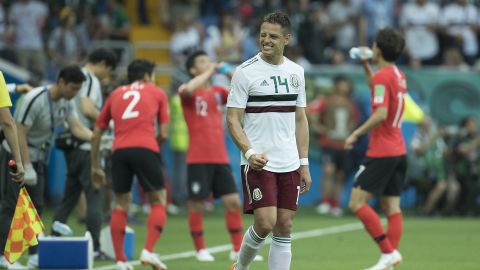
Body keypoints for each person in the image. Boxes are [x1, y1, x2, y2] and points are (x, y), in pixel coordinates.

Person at [226, 11, 312, 270]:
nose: (266, 40)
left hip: (289, 162)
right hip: (258, 162)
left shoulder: (297, 72)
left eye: (273, 36)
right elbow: (232, 120)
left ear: (287, 39)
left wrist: (304, 163)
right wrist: (249, 152)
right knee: (265, 223)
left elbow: (300, 119)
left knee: (284, 225)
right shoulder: (245, 72)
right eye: (263, 35)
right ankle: (240, 267)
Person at [0, 65, 91, 268]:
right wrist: (26, 165)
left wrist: (96, 138)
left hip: (38, 156)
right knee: (12, 206)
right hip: (16, 155)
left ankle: (34, 253)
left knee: (36, 206)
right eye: (73, 88)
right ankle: (5, 256)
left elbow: (76, 127)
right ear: (61, 82)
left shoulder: (67, 103)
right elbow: (19, 132)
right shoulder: (36, 99)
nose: (74, 93)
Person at [91, 59, 169, 270]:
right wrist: (151, 145)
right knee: (159, 199)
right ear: (146, 76)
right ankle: (148, 251)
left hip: (119, 151)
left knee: (120, 203)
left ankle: (120, 261)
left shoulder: (115, 93)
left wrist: (94, 165)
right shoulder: (157, 92)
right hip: (145, 148)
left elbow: (97, 131)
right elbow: (163, 133)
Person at [344, 28, 407, 270]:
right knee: (392, 207)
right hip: (399, 151)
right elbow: (378, 88)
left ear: (377, 49)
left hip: (382, 151)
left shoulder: (384, 77)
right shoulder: (397, 75)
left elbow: (380, 113)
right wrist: (366, 65)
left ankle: (388, 252)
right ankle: (389, 260)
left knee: (356, 203)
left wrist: (356, 133)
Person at [179, 50, 246, 262]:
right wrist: (210, 71)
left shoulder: (218, 91)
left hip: (220, 157)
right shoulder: (186, 90)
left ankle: (237, 249)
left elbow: (242, 88)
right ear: (192, 69)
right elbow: (189, 88)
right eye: (202, 62)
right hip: (198, 157)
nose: (208, 64)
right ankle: (200, 249)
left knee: (233, 202)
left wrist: (227, 72)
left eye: (208, 61)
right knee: (196, 204)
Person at [51, 48, 118, 259]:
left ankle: (52, 239)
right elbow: (87, 108)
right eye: (109, 70)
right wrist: (110, 123)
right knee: (94, 196)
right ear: (104, 64)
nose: (107, 75)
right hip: (88, 146)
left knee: (69, 198)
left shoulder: (75, 74)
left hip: (73, 144)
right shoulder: (89, 79)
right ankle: (95, 247)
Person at [308, 75, 356, 217]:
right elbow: (310, 111)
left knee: (340, 176)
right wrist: (318, 127)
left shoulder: (350, 104)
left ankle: (335, 204)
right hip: (329, 144)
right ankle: (325, 202)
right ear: (336, 86)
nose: (344, 87)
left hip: (343, 145)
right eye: (342, 84)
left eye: (346, 85)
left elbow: (354, 120)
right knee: (328, 172)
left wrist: (350, 133)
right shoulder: (326, 100)